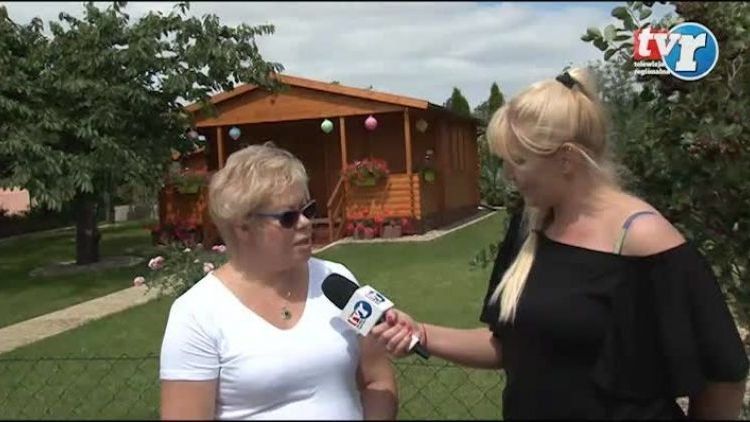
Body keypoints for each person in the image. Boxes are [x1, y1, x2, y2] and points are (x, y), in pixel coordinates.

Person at [370, 68, 749, 419]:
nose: (507, 175)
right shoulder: (529, 227)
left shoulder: (643, 240)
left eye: (518, 161)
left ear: (566, 159)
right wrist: (421, 332)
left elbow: (724, 374)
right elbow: (508, 346)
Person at [159, 142, 398, 420]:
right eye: (288, 217)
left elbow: (377, 381)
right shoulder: (196, 313)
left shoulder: (339, 280)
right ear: (243, 227)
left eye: (308, 210)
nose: (305, 223)